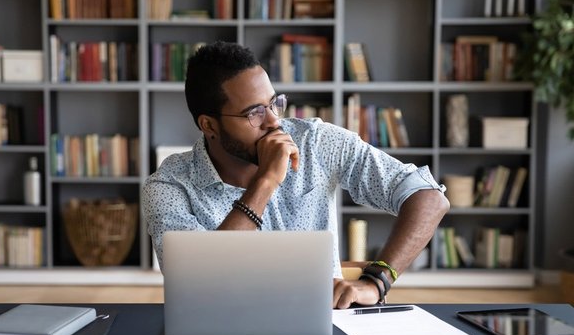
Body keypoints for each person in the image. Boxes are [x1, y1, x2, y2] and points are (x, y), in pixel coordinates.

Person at [142, 41, 449, 309]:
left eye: (275, 103)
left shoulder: (316, 142)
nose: (275, 122)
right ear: (209, 125)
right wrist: (266, 182)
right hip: (223, 334)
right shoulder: (169, 187)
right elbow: (196, 284)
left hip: (325, 323)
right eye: (254, 113)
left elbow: (430, 197)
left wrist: (378, 280)